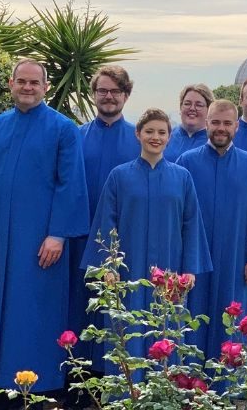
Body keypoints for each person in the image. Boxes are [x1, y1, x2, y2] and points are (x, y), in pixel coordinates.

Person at [0, 58, 89, 393]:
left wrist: (57, 235)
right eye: (22, 81)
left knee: (35, 312)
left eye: (34, 83)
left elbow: (69, 184)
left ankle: (40, 388)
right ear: (11, 84)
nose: (28, 88)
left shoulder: (63, 129)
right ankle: (2, 383)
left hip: (40, 241)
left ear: (46, 87)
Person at [82, 108, 212, 371]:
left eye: (162, 132)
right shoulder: (119, 176)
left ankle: (162, 395)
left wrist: (189, 269)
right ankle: (125, 395)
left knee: (166, 332)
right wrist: (109, 267)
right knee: (125, 331)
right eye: (149, 131)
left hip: (170, 270)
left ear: (169, 137)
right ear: (138, 134)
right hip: (127, 270)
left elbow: (191, 224)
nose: (156, 137)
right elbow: (106, 223)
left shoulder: (182, 177)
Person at [176, 100, 247, 360]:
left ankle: (229, 385)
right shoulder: (186, 163)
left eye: (226, 123)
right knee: (193, 317)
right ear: (206, 124)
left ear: (236, 127)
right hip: (196, 259)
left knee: (232, 318)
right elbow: (177, 214)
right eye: (215, 122)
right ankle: (189, 382)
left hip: (237, 258)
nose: (220, 128)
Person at [73, 65, 140, 362]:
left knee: (117, 309)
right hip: (80, 236)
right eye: (103, 91)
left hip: (124, 240)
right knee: (79, 307)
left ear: (126, 95)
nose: (108, 97)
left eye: (115, 91)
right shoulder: (75, 137)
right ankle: (79, 376)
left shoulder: (140, 140)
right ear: (94, 94)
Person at [165, 84, 215, 162]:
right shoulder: (166, 136)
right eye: (187, 104)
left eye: (199, 105)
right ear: (180, 107)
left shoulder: (215, 142)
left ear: (209, 110)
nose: (192, 108)